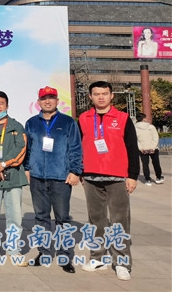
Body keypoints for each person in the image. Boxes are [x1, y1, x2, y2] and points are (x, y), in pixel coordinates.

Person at [78, 80, 140, 281]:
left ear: (112, 95)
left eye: (104, 93)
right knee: (96, 220)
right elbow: (78, 146)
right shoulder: (84, 118)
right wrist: (79, 171)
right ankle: (97, 257)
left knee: (120, 221)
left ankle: (122, 262)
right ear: (90, 97)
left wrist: (132, 175)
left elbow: (132, 148)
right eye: (96, 94)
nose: (101, 97)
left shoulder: (122, 118)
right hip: (91, 176)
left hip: (117, 177)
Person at [24, 86, 82, 274]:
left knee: (62, 218)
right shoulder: (32, 123)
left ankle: (65, 255)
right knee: (41, 217)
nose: (47, 101)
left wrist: (75, 171)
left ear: (57, 101)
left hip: (61, 177)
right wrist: (27, 168)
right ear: (38, 102)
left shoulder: (68, 122)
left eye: (51, 98)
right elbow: (28, 148)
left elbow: (75, 148)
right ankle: (44, 252)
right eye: (44, 98)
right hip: (37, 177)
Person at [0, 90, 29, 266]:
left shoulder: (17, 126)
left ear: (7, 105)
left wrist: (3, 164)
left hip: (13, 177)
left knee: (15, 217)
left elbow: (21, 149)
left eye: (1, 103)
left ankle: (13, 250)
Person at [135, 112, 164, 186]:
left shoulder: (135, 128)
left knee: (145, 164)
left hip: (143, 149)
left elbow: (135, 140)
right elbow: (155, 138)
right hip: (153, 149)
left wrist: (141, 148)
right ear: (144, 119)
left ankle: (147, 179)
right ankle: (158, 177)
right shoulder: (151, 127)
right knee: (156, 163)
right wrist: (152, 147)